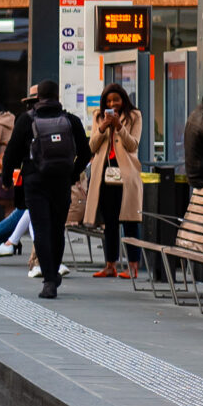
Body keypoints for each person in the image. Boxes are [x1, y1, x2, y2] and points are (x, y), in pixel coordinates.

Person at [20, 81, 89, 299]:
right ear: (57, 95)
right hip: (61, 182)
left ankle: (49, 279)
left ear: (38, 96)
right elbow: (86, 154)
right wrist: (72, 173)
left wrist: (6, 177)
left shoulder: (27, 120)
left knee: (41, 229)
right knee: (57, 229)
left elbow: (13, 150)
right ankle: (52, 274)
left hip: (35, 181)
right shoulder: (71, 121)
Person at [73, 82, 145, 278]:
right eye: (109, 100)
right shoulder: (99, 116)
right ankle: (110, 265)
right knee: (110, 222)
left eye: (117, 100)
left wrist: (119, 126)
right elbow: (92, 147)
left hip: (126, 174)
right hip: (103, 174)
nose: (113, 104)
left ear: (123, 100)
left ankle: (132, 266)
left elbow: (132, 145)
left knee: (130, 220)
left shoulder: (134, 116)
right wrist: (104, 126)